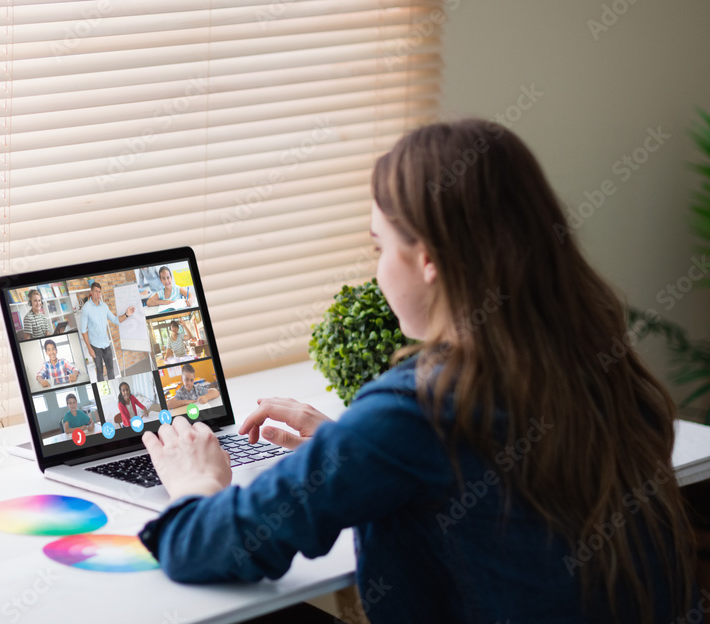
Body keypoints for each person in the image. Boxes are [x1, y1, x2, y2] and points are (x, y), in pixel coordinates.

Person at [136, 119, 696, 624]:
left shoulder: (420, 408)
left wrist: (195, 482)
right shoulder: (598, 364)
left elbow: (205, 546)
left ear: (427, 259)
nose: (376, 268)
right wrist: (347, 447)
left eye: (380, 246)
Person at [80, 280, 135, 381]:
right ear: (91, 292)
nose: (98, 294)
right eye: (96, 291)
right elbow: (83, 330)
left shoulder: (104, 306)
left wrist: (127, 314)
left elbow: (115, 320)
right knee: (100, 371)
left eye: (99, 291)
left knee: (111, 370)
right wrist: (89, 348)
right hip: (95, 346)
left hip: (106, 344)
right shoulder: (86, 308)